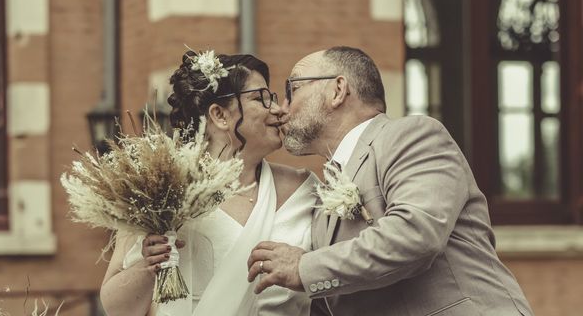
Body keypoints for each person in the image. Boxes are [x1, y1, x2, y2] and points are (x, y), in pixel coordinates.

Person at [247, 46, 534, 316]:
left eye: (292, 90)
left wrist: (303, 267)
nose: (282, 108)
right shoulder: (323, 197)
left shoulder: (411, 136)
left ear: (337, 90)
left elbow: (414, 234)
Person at [100, 51, 319, 316]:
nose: (276, 108)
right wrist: (149, 265)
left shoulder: (305, 189)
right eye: (260, 98)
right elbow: (117, 309)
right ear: (220, 115)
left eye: (271, 97)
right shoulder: (161, 191)